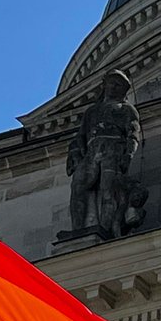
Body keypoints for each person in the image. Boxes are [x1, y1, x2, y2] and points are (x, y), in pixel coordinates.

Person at [67, 70, 142, 236]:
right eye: (111, 83)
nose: (113, 87)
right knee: (78, 186)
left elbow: (133, 135)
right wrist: (76, 153)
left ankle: (105, 230)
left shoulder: (127, 109)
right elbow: (81, 135)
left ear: (124, 90)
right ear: (104, 85)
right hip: (92, 151)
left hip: (113, 150)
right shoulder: (92, 111)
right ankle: (77, 230)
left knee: (109, 190)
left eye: (118, 85)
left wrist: (128, 155)